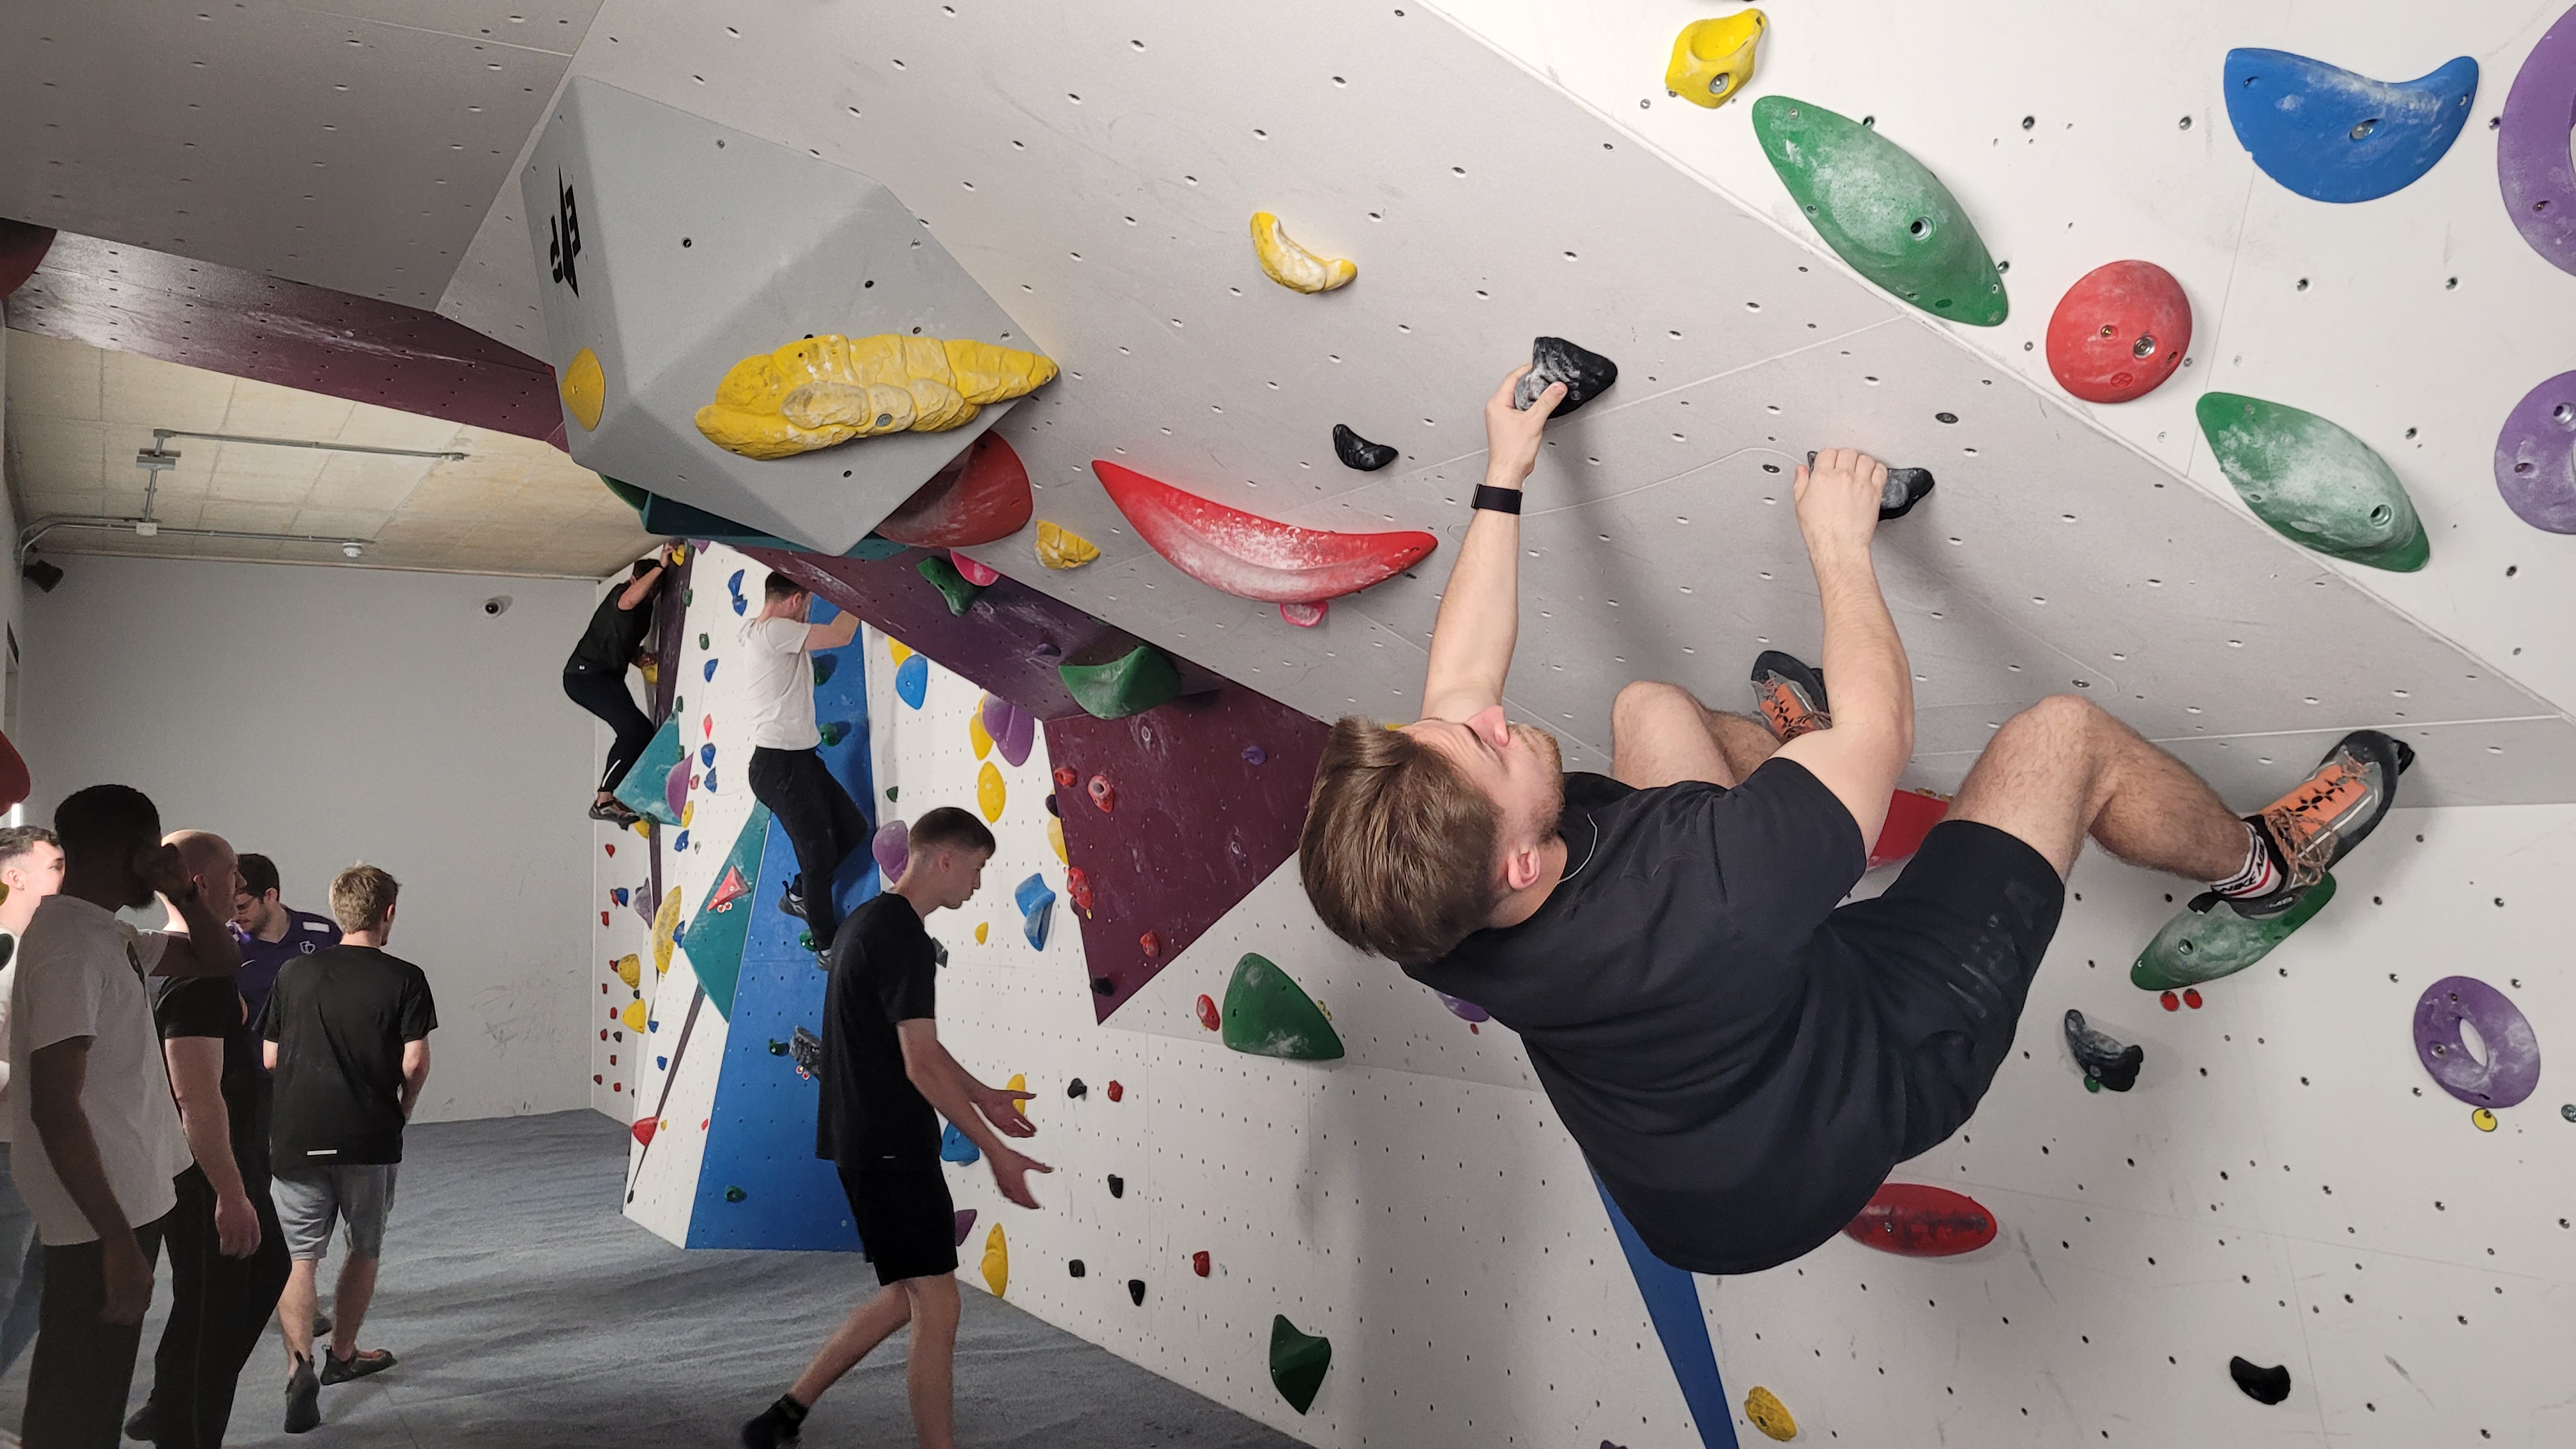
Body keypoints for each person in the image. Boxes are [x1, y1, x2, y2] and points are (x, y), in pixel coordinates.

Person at [1297, 366, 2409, 1277]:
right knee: (2063, 738)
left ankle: (1811, 794)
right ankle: (2267, 867)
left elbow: (1457, 681)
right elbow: (1884, 723)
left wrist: (1503, 469)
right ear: (1525, 858)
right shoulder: (1714, 883)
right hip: (1857, 1089)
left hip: (1685, 1191)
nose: (1487, 717)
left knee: (1650, 709)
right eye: (1486, 745)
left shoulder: (1414, 898)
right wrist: (1837, 540)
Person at [740, 807, 1050, 1449]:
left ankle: (785, 1414)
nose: (977, 883)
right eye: (977, 868)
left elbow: (921, 1050)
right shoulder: (904, 936)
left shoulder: (869, 920)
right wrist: (995, 1152)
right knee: (939, 1304)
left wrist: (985, 1096)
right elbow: (919, 1065)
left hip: (866, 1140)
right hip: (888, 1146)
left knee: (910, 1293)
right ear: (945, 860)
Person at [12, 788, 241, 1448]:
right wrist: (114, 1240)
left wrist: (188, 899)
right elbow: (55, 1107)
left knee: (95, 1389)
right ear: (134, 853)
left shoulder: (105, 932)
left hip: (119, 1202)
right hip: (97, 1215)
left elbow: (218, 962)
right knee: (77, 1402)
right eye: (155, 849)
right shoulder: (70, 948)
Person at [127, 835, 294, 1448]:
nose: (238, 885)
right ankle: (187, 1427)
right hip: (206, 1174)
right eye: (231, 875)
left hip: (231, 1161)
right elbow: (193, 1094)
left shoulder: (176, 960)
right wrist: (228, 1191)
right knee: (214, 1316)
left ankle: (168, 1403)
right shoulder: (195, 981)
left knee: (262, 1269)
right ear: (200, 882)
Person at [263, 864, 436, 1434]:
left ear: (339, 913)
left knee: (299, 1257)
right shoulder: (405, 977)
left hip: (295, 1135)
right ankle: (342, 1354)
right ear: (388, 913)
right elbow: (414, 1062)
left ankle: (299, 1365)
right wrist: (401, 1112)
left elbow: (268, 1058)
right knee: (364, 1248)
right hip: (368, 1136)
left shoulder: (293, 973)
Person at [741, 571, 868, 969]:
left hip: (797, 759)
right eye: (808, 604)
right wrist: (868, 595)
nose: (807, 613)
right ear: (796, 600)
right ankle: (827, 946)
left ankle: (798, 896)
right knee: (816, 854)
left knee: (853, 830)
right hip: (778, 764)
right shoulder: (774, 631)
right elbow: (842, 634)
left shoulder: (753, 630)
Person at [0, 825, 65, 1388]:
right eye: (54, 866)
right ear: (15, 877)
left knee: (40, 1283)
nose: (64, 878)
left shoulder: (35, 954)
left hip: (32, 1145)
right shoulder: (6, 963)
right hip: (6, 1150)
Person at [566, 544, 681, 825]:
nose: (652, 596)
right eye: (650, 589)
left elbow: (620, 640)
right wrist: (661, 566)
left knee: (640, 732)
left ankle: (618, 795)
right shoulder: (621, 594)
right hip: (585, 677)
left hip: (606, 677)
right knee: (633, 731)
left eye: (656, 592)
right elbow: (629, 601)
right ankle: (604, 799)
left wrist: (639, 658)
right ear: (635, 581)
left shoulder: (643, 611)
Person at [228, 854, 340, 1070]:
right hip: (253, 1081)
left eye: (242, 907)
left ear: (270, 895)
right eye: (229, 907)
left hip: (318, 1075)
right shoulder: (226, 947)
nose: (234, 916)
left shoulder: (323, 934)